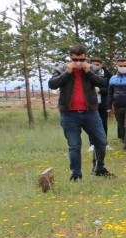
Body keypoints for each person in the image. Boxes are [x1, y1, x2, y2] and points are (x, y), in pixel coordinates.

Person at [48, 45, 114, 181]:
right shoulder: (61, 68)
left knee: (101, 142)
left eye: (81, 59)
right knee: (74, 146)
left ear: (86, 57)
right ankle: (76, 175)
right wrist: (67, 73)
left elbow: (103, 84)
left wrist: (89, 72)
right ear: (70, 57)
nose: (78, 62)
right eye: (75, 59)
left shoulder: (94, 69)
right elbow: (52, 84)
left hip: (90, 112)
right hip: (69, 114)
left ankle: (99, 169)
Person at [88, 57, 114, 152]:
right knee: (91, 124)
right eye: (93, 65)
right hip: (91, 104)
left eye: (97, 65)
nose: (95, 67)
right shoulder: (87, 74)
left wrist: (99, 90)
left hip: (103, 103)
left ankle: (104, 143)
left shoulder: (108, 75)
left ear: (101, 65)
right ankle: (92, 144)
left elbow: (110, 89)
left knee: (103, 124)